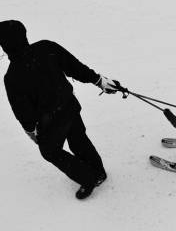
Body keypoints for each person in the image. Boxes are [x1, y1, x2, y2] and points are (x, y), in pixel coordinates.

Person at [0, 20, 121, 200]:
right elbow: (75, 67)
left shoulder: (13, 76)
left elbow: (23, 111)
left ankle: (90, 177)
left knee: (50, 152)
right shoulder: (45, 47)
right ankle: (97, 171)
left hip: (51, 120)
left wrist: (31, 130)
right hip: (69, 105)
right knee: (78, 138)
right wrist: (99, 80)